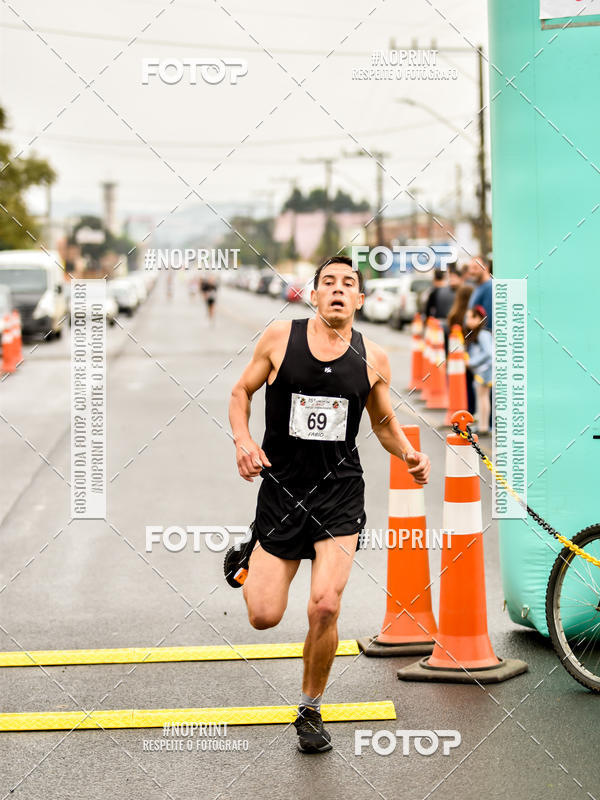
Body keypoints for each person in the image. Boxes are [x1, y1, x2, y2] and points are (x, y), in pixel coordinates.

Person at [226, 256, 431, 754]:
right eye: (328, 283)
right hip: (281, 494)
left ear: (360, 300)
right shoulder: (279, 339)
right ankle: (249, 555)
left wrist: (407, 452)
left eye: (348, 284)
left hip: (339, 495)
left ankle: (310, 708)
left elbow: (382, 422)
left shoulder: (374, 357)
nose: (338, 290)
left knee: (325, 605)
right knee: (263, 616)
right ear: (313, 295)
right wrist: (242, 441)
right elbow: (240, 391)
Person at [464, 304, 493, 436]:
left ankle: (484, 427)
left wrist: (471, 362)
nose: (468, 320)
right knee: (482, 397)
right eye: (468, 317)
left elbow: (488, 353)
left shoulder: (483, 334)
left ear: (480, 318)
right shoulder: (478, 334)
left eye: (472, 317)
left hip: (486, 370)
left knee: (483, 397)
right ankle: (482, 425)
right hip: (482, 370)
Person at [466, 256, 493, 331]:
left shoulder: (489, 287)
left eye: (475, 268)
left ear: (486, 267)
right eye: (470, 268)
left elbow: (488, 319)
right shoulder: (478, 286)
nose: (471, 271)